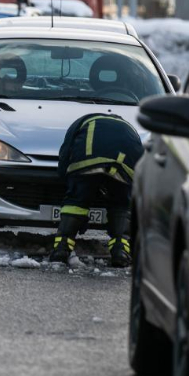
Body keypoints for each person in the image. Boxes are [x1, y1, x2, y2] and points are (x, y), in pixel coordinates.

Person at [50, 113, 144, 267]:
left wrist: (68, 182)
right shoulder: (129, 129)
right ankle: (120, 251)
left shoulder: (80, 123)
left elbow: (66, 152)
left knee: (76, 203)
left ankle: (62, 248)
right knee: (121, 205)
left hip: (88, 158)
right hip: (125, 162)